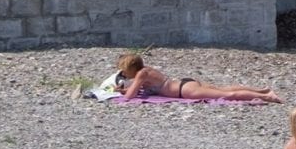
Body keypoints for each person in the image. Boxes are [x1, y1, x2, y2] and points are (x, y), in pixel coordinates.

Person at [113, 52, 276, 102]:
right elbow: (134, 90)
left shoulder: (141, 74)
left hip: (184, 91)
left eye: (124, 71)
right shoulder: (146, 71)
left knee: (228, 95)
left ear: (129, 69)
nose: (123, 74)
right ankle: (261, 90)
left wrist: (121, 93)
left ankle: (267, 96)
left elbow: (130, 96)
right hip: (186, 83)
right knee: (224, 89)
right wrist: (124, 89)